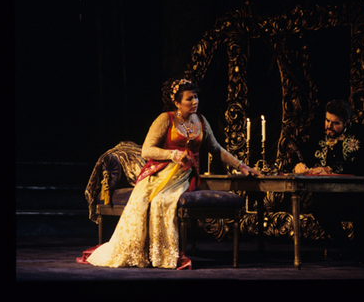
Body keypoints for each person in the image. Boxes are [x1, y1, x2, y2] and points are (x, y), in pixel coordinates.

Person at [77, 78, 260, 270]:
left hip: (183, 176)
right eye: (189, 99)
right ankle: (143, 253)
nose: (195, 102)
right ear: (177, 102)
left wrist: (241, 165)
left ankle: (163, 255)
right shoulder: (166, 119)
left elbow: (216, 149)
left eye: (196, 97)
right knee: (145, 201)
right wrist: (172, 154)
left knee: (163, 201)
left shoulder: (201, 121)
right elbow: (146, 150)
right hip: (158, 174)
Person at [294, 99, 364, 261]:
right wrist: (299, 165)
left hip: (359, 193)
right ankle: (347, 246)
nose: (328, 126)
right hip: (332, 194)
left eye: (335, 123)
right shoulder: (321, 133)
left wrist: (329, 169)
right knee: (317, 204)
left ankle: (358, 249)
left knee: (363, 206)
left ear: (347, 122)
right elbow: (305, 154)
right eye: (327, 120)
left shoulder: (363, 133)